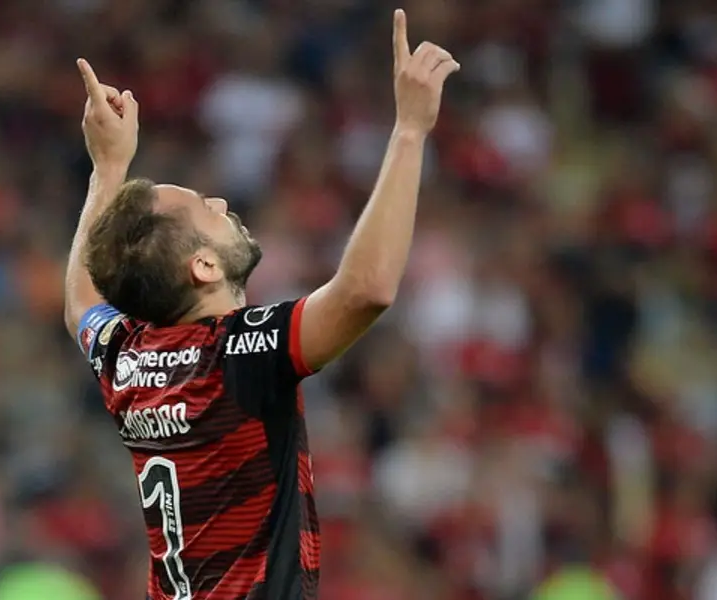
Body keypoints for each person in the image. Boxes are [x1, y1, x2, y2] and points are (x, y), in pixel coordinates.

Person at [63, 10, 459, 600]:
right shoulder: (237, 352)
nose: (222, 200)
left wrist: (108, 168)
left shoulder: (126, 356)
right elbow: (365, 290)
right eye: (206, 208)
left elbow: (80, 303)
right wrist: (408, 130)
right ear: (203, 267)